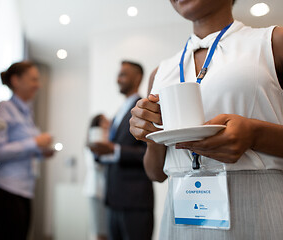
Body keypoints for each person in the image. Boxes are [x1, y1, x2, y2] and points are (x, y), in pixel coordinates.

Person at [129, 0, 283, 239]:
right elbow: (156, 174)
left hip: (258, 207)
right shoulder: (160, 73)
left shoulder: (272, 42)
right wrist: (150, 135)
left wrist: (255, 134)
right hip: (180, 215)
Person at [0, 61, 54, 240]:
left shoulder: (27, 113)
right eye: (33, 80)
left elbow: (26, 148)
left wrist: (42, 151)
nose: (38, 85)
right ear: (16, 80)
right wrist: (35, 142)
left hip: (24, 191)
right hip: (5, 191)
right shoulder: (3, 108)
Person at [90, 61, 154, 240]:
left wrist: (115, 150)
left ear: (138, 77)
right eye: (118, 74)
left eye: (123, 74)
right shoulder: (119, 112)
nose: (118, 79)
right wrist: (99, 152)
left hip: (135, 201)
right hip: (113, 199)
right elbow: (113, 149)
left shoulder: (144, 109)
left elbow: (149, 153)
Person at [84, 114, 110, 240]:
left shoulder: (108, 138)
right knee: (100, 230)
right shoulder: (94, 139)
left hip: (106, 191)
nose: (108, 122)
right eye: (105, 121)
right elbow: (95, 164)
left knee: (106, 229)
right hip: (96, 191)